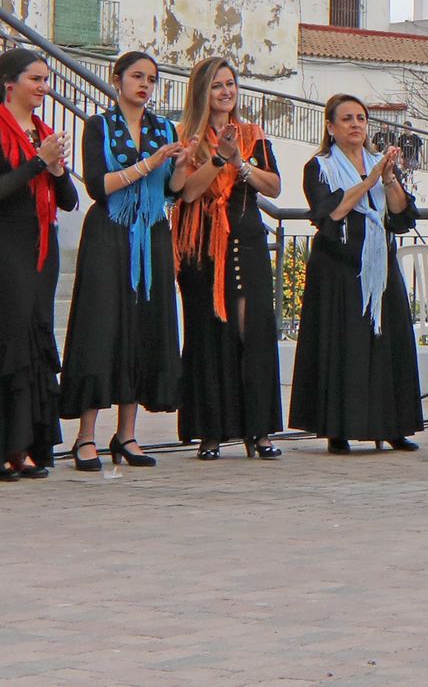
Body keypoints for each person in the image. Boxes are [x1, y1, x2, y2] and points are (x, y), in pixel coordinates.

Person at [60, 51, 195, 470]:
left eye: (152, 79)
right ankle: (85, 437)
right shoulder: (99, 126)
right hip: (110, 232)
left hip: (152, 231)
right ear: (117, 80)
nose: (145, 85)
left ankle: (128, 433)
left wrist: (182, 169)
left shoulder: (163, 127)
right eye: (137, 77)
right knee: (101, 326)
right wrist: (148, 164)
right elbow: (99, 186)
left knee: (142, 324)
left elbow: (171, 190)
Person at [288, 95, 425, 454]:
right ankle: (339, 428)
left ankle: (392, 426)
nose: (355, 124)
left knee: (387, 342)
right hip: (339, 267)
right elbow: (330, 212)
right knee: (343, 344)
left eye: (361, 118)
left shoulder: (380, 164)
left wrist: (390, 180)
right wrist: (368, 182)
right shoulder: (320, 166)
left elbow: (399, 213)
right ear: (331, 127)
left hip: (379, 263)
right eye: (346, 118)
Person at [171, 57, 284, 460]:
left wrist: (240, 163)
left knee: (250, 330)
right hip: (202, 243)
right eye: (217, 85)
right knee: (208, 333)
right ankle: (211, 431)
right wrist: (218, 157)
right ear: (202, 91)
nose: (226, 91)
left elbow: (273, 186)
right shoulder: (185, 136)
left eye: (231, 84)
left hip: (246, 239)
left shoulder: (252, 134)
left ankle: (259, 430)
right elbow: (186, 192)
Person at [0, 49, 78, 479]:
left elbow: (69, 201)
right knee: (9, 343)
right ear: (10, 83)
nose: (44, 87)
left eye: (47, 79)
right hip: (7, 245)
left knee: (34, 344)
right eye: (36, 79)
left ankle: (25, 446)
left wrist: (58, 169)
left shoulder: (44, 132)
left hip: (40, 250)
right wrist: (37, 162)